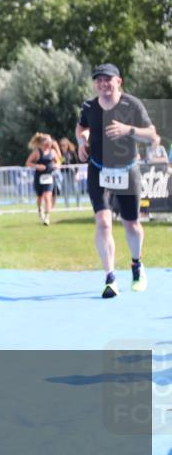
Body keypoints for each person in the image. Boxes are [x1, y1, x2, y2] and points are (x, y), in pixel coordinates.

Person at [76, 63, 157, 298]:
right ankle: (110, 278)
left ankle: (136, 264)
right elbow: (81, 127)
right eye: (99, 80)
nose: (103, 84)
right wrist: (81, 142)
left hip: (127, 170)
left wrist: (128, 130)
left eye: (108, 79)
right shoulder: (89, 106)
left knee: (132, 224)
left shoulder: (132, 105)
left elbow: (152, 135)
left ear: (118, 81)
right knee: (103, 223)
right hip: (98, 170)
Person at [26, 133, 61, 226]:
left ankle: (47, 217)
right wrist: (37, 166)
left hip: (49, 177)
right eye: (47, 142)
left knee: (47, 196)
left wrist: (56, 165)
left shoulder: (52, 152)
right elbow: (28, 162)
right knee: (40, 197)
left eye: (50, 141)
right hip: (39, 177)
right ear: (43, 142)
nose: (49, 143)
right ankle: (40, 209)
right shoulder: (37, 152)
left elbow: (59, 161)